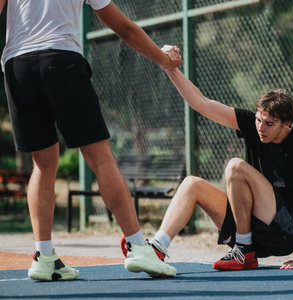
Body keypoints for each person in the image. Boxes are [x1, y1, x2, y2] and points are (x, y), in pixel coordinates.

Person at [1, 0, 181, 281]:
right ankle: (137, 247)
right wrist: (163, 58)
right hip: (61, 61)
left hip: (18, 67)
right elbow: (124, 27)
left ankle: (44, 256)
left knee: (42, 164)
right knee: (100, 157)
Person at [132, 45, 293, 270]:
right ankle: (157, 248)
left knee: (235, 166)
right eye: (259, 120)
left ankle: (243, 250)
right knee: (192, 184)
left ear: (287, 123)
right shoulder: (252, 124)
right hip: (254, 228)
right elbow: (202, 104)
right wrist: (169, 68)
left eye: (269, 124)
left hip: (286, 231)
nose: (261, 128)